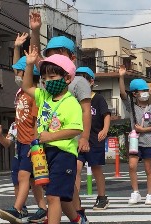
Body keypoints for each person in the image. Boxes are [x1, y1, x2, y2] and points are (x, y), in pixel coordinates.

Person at [30, 12, 92, 220]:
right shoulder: (48, 81)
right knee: (59, 189)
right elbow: (36, 57)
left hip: (70, 141)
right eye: (51, 53)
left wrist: (84, 137)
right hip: (48, 144)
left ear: (71, 58)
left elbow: (84, 110)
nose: (54, 57)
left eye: (60, 53)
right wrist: (36, 31)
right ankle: (73, 216)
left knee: (65, 185)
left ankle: (75, 213)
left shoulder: (77, 82)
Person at [22, 48, 85, 223]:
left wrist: (50, 137)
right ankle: (78, 220)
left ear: (67, 78)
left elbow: (76, 129)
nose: (47, 82)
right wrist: (29, 64)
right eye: (44, 79)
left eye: (52, 78)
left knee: (53, 196)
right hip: (43, 153)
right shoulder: (44, 96)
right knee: (60, 197)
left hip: (63, 154)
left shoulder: (71, 102)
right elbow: (26, 86)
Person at [0, 54, 47, 223]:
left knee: (24, 177)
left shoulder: (35, 94)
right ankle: (43, 209)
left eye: (19, 72)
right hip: (21, 142)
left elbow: (36, 122)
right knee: (31, 180)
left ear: (26, 74)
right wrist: (17, 47)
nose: (16, 75)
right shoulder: (20, 94)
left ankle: (18, 209)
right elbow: (16, 64)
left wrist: (34, 144)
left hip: (29, 143)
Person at [119, 65, 151, 205]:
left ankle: (149, 194)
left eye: (146, 91)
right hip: (135, 141)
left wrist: (143, 130)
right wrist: (121, 76)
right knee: (132, 166)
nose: (145, 93)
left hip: (148, 141)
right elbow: (123, 95)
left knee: (149, 168)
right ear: (135, 93)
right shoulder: (131, 106)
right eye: (142, 91)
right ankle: (135, 192)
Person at [75, 67, 111, 210]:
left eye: (84, 79)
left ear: (91, 82)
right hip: (78, 138)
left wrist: (105, 129)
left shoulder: (98, 98)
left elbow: (106, 114)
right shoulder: (75, 98)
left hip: (94, 138)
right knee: (76, 167)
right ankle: (74, 199)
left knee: (96, 168)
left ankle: (102, 197)